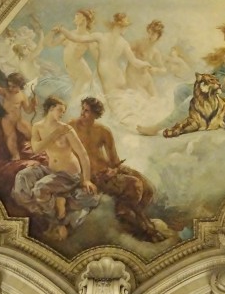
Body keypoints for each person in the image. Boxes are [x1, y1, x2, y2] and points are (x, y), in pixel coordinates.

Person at [70, 97, 165, 242]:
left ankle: (125, 210)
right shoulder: (71, 127)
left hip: (107, 170)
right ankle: (143, 226)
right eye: (82, 109)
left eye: (87, 111)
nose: (82, 113)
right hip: (92, 175)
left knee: (148, 188)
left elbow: (114, 159)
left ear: (96, 114)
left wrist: (115, 169)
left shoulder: (103, 131)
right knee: (134, 185)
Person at [14, 96, 98, 240]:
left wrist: (87, 179)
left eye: (63, 112)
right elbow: (36, 149)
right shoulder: (38, 127)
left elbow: (83, 154)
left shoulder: (66, 129)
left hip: (68, 174)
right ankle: (53, 204)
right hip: (51, 170)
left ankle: (58, 220)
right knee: (22, 177)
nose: (62, 114)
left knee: (40, 188)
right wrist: (54, 135)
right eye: (60, 110)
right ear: (50, 108)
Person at [57, 13, 153, 97]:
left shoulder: (101, 36)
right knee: (116, 101)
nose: (126, 29)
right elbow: (135, 62)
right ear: (120, 27)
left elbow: (76, 38)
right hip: (115, 75)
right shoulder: (123, 43)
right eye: (125, 27)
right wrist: (145, 64)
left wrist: (62, 30)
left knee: (113, 101)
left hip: (107, 73)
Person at [54, 10, 98, 98]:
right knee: (79, 100)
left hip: (82, 75)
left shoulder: (89, 38)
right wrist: (52, 33)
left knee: (75, 100)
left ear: (84, 19)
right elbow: (52, 44)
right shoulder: (71, 33)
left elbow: (98, 58)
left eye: (77, 15)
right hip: (72, 74)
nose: (75, 17)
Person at [127, 20, 167, 97]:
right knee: (139, 99)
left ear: (158, 36)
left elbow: (164, 69)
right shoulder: (139, 43)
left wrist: (156, 69)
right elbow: (125, 49)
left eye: (153, 34)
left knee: (156, 98)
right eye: (149, 33)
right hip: (133, 76)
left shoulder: (156, 52)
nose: (150, 36)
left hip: (145, 77)